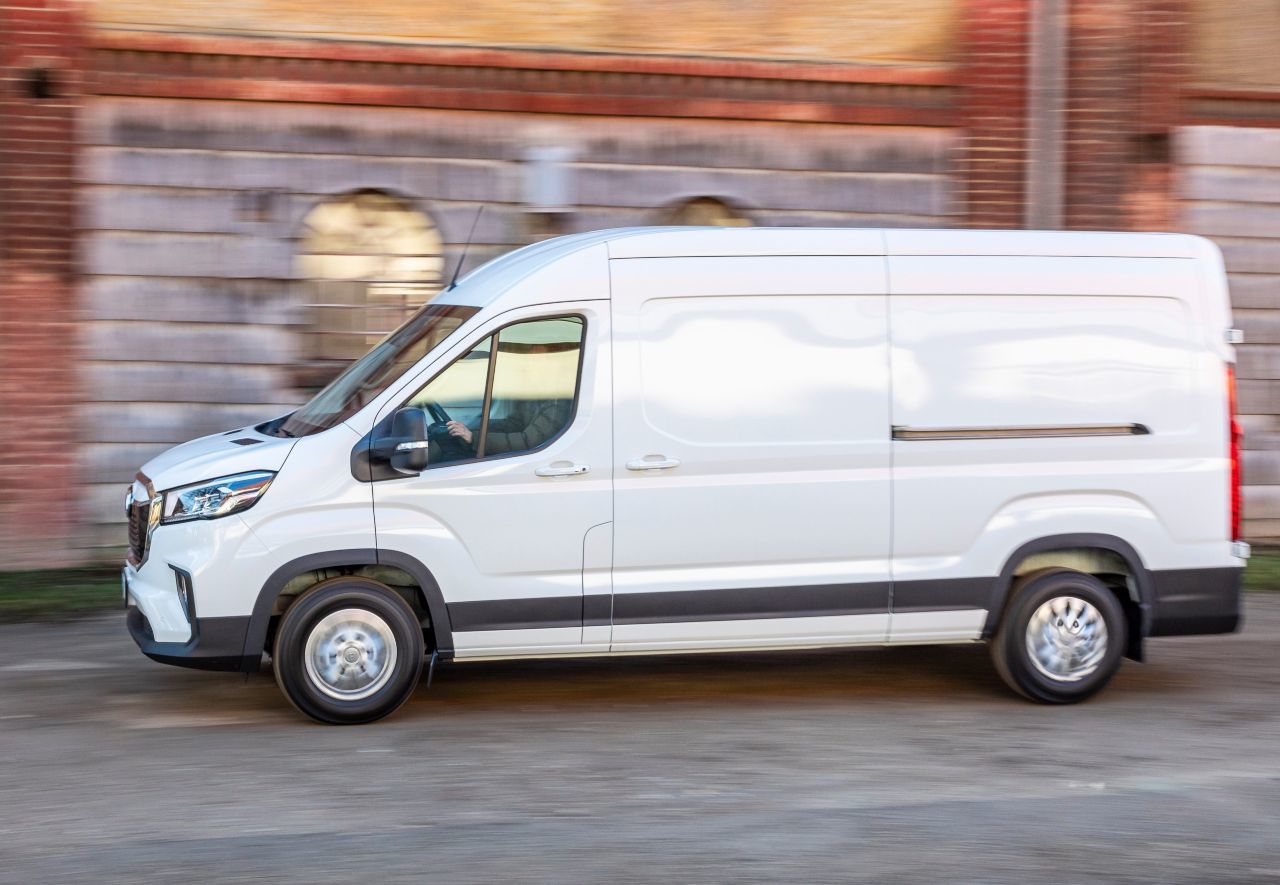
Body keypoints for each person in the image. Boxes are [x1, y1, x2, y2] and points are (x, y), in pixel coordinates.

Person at [445, 397, 572, 456]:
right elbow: (512, 424)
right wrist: (471, 430)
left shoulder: (558, 406)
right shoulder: (536, 399)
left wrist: (475, 438)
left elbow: (528, 441)